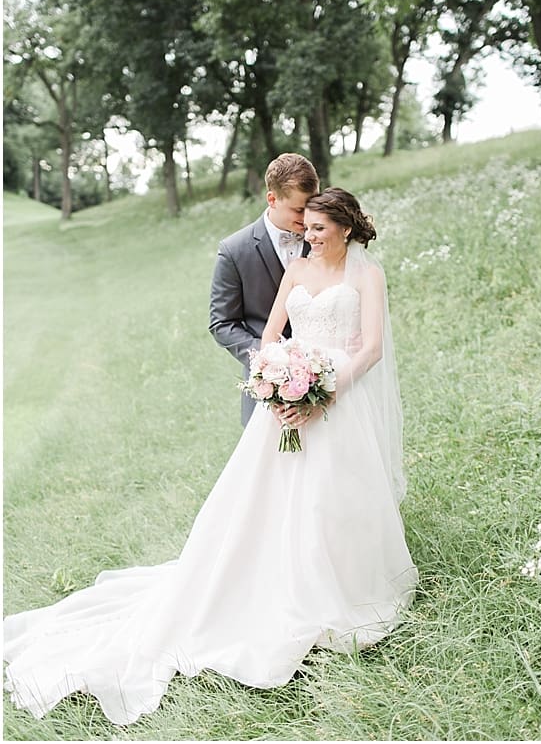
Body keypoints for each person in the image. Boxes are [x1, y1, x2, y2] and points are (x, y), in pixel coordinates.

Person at [4, 188, 417, 726]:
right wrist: (277, 381)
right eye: (306, 227)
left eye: (318, 228)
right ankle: (269, 580)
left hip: (338, 397)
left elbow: (372, 348)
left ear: (343, 227)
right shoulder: (296, 269)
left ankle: (340, 584)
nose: (308, 236)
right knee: (268, 500)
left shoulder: (367, 275)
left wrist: (326, 393)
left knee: (333, 496)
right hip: (287, 401)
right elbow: (271, 336)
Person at [211, 153, 320, 426]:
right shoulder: (234, 251)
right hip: (268, 388)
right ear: (272, 199)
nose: (307, 217)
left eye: (312, 206)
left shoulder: (325, 239)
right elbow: (222, 323)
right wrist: (270, 358)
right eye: (298, 210)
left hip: (325, 381)